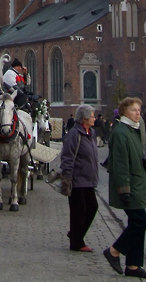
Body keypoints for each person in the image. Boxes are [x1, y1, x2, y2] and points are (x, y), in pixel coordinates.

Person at [103, 97, 146, 279]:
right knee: (141, 222)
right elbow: (121, 163)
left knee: (136, 224)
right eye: (133, 110)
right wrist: (124, 189)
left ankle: (133, 265)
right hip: (129, 186)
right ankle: (114, 250)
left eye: (139, 110)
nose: (137, 113)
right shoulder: (121, 132)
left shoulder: (132, 130)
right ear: (124, 111)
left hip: (137, 183)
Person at [60, 104, 99, 253]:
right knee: (79, 210)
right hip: (76, 179)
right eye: (92, 116)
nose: (94, 118)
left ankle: (76, 234)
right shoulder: (74, 134)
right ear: (84, 119)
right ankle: (77, 242)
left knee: (92, 207)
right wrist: (67, 178)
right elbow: (67, 157)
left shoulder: (91, 133)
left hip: (89, 180)